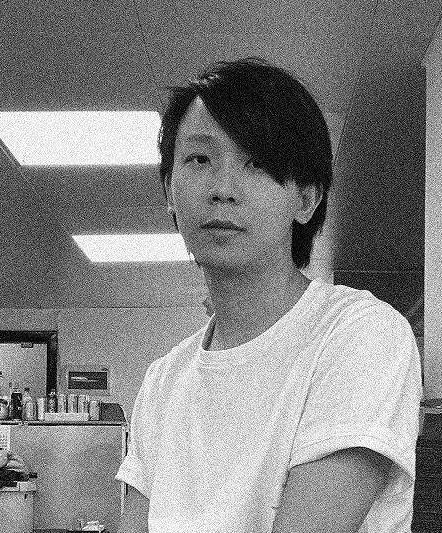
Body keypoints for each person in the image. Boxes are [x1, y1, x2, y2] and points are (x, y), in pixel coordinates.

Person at [116, 58, 422, 533]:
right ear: (169, 193)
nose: (222, 189)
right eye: (199, 160)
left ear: (307, 198)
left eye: (257, 163)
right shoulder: (163, 382)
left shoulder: (361, 335)